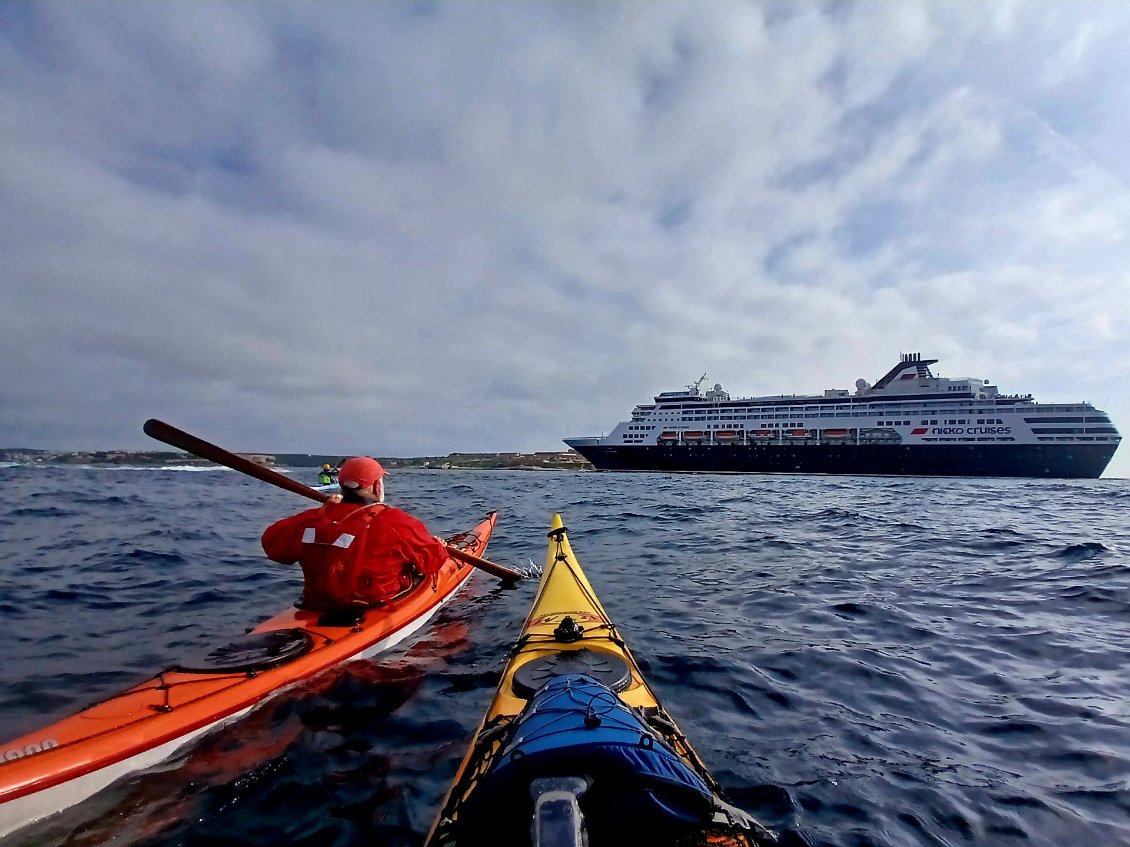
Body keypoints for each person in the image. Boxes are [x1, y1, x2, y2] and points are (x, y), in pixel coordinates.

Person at [262, 457, 449, 610]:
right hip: (374, 605)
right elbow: (431, 562)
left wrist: (322, 512)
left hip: (316, 604)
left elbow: (273, 547)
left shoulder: (313, 518)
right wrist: (440, 547)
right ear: (377, 486)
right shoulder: (396, 522)